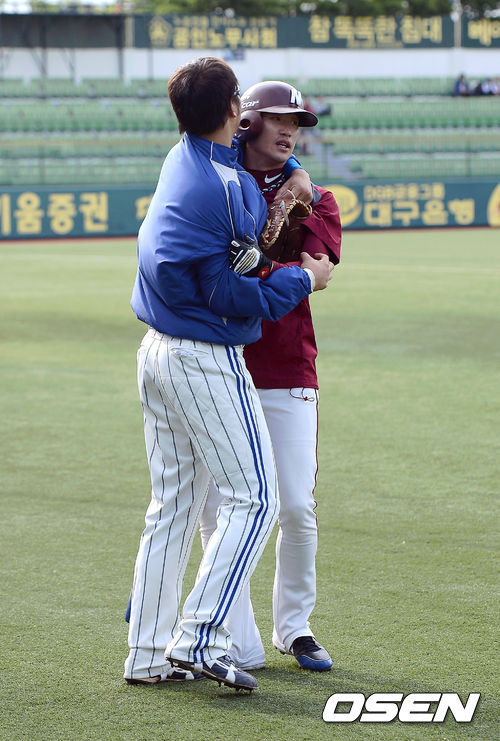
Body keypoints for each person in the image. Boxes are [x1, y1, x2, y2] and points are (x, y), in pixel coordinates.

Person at [123, 58, 333, 693]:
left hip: (155, 349)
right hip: (203, 355)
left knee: (173, 506)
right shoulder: (224, 188)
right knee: (257, 499)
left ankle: (147, 652)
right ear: (234, 112)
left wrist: (294, 177)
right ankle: (200, 637)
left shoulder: (180, 157)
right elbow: (229, 294)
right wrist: (301, 280)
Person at [199, 81, 342, 673]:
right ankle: (236, 633)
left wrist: (260, 260)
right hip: (217, 363)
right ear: (249, 121)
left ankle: (295, 627)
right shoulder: (215, 181)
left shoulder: (319, 198)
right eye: (279, 119)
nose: (290, 131)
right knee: (216, 509)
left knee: (296, 506)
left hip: (287, 366)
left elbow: (317, 270)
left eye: (298, 123)